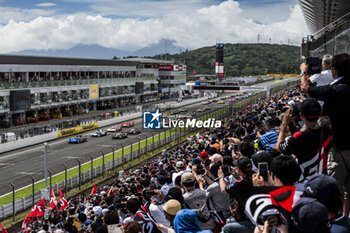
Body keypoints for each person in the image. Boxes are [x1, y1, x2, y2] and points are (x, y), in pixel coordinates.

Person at [300, 53, 350, 214]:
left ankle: (338, 219)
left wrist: (303, 71)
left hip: (339, 146)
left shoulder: (334, 89)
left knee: (336, 186)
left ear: (334, 70)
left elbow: (306, 89)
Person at [276, 99, 332, 180]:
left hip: (307, 180)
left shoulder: (299, 137)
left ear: (302, 116)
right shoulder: (328, 131)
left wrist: (284, 124)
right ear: (319, 114)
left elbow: (279, 147)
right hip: (324, 177)